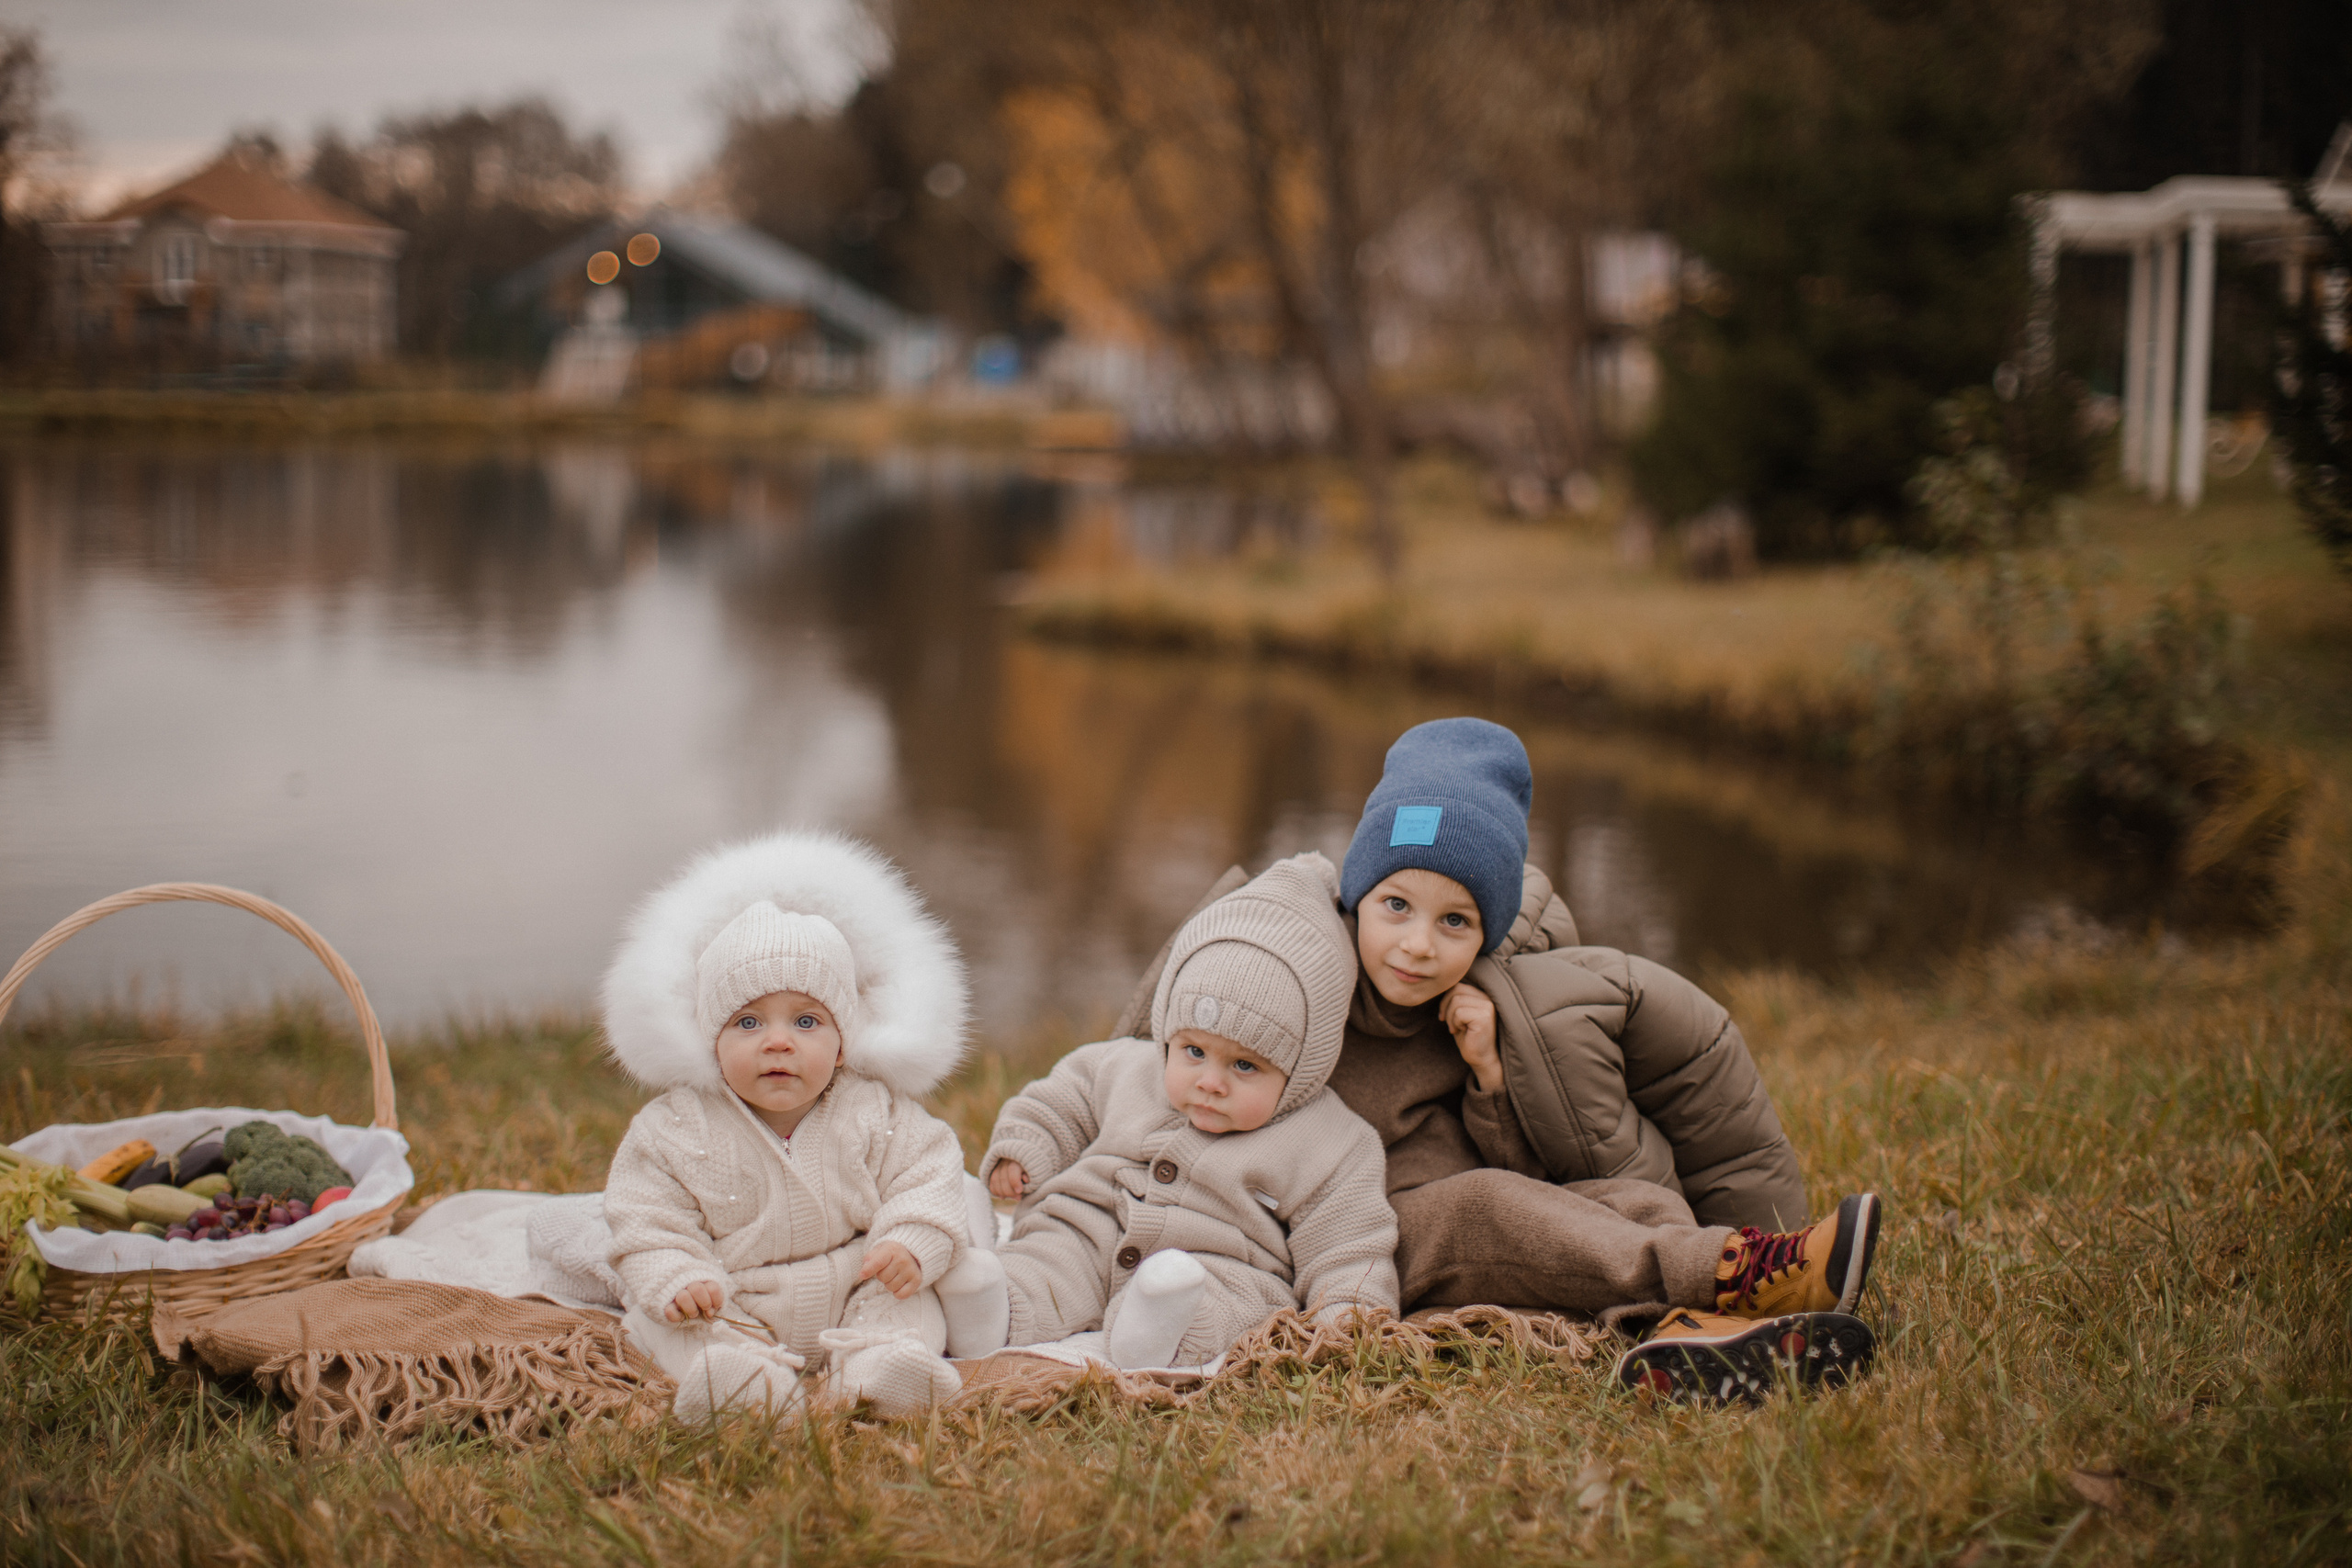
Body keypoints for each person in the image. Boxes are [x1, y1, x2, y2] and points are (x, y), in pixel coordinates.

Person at [1325, 716, 1883, 1392]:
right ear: (1358, 897)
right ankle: (1736, 1272)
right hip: (1364, 1236)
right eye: (1396, 905)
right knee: (1486, 1206)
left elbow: (1523, 1177)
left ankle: (1694, 1331)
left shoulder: (1469, 1013)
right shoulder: (1316, 997)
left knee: (1624, 1198)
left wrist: (1489, 1079)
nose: (1418, 944)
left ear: (1485, 935)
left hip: (1469, 1221)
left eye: (1455, 921)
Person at [599, 830, 997, 1421]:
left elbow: (929, 1173)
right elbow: (645, 1216)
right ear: (711, 1043)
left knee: (907, 1304)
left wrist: (911, 1240)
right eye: (748, 1022)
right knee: (677, 1327)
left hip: (855, 1283)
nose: (778, 1041)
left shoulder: (873, 1110)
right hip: (735, 1297)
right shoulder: (674, 1129)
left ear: (842, 1046)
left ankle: (881, 1368)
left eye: (807, 1021)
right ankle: (745, 1385)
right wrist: (678, 1275)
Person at [944, 853, 1398, 1371]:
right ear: (1167, 1031)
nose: (1210, 1081)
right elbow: (1059, 1103)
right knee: (1050, 1259)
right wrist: (1024, 1152)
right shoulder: (1121, 1067)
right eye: (1194, 1052)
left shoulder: (1332, 1142)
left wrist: (1347, 1320)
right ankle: (991, 1306)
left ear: (1301, 1069)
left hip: (1222, 1264)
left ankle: (1163, 1333)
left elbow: (1351, 1245)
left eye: (1245, 1066)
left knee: (1234, 1306)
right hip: (1094, 1225)